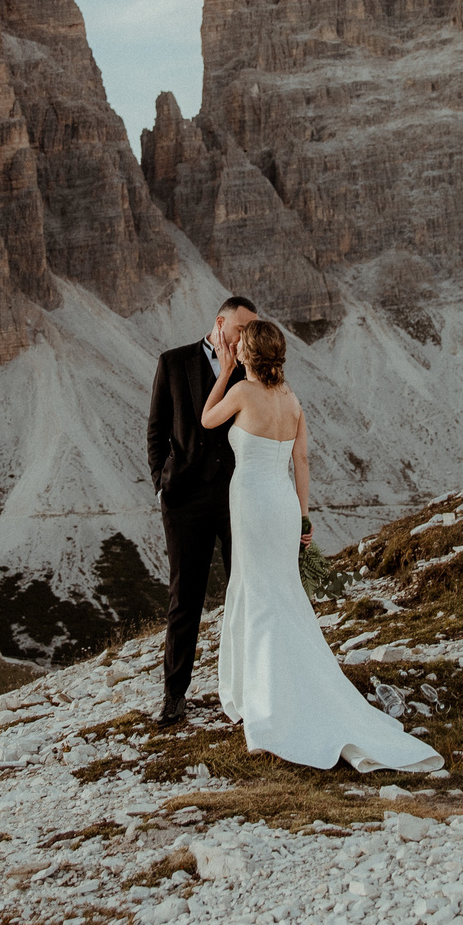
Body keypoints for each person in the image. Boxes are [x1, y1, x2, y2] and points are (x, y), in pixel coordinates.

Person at [198, 319, 441, 774]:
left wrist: (224, 370)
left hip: (251, 503)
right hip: (284, 504)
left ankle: (266, 702)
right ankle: (284, 689)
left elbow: (206, 419)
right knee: (281, 594)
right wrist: (304, 517)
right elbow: (301, 460)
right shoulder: (292, 401)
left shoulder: (241, 393)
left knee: (258, 594)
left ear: (247, 355)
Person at [145, 296, 256, 726]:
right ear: (220, 323)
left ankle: (247, 691)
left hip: (235, 497)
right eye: (241, 329)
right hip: (184, 500)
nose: (245, 338)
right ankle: (174, 696)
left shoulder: (250, 367)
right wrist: (161, 485)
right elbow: (156, 429)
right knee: (184, 599)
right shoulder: (174, 362)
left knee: (242, 591)